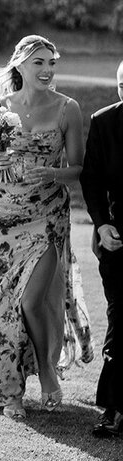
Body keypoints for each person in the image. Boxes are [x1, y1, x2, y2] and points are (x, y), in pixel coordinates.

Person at [0, 34, 92, 420]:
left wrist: (53, 172)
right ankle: (10, 392)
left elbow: (78, 168)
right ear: (20, 65)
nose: (47, 70)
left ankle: (49, 373)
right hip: (3, 216)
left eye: (51, 63)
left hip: (47, 216)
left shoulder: (67, 108)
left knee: (31, 301)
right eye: (39, 62)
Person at [80, 59, 123, 437]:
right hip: (118, 236)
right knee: (121, 317)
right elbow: (91, 178)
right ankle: (112, 408)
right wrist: (102, 222)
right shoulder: (104, 121)